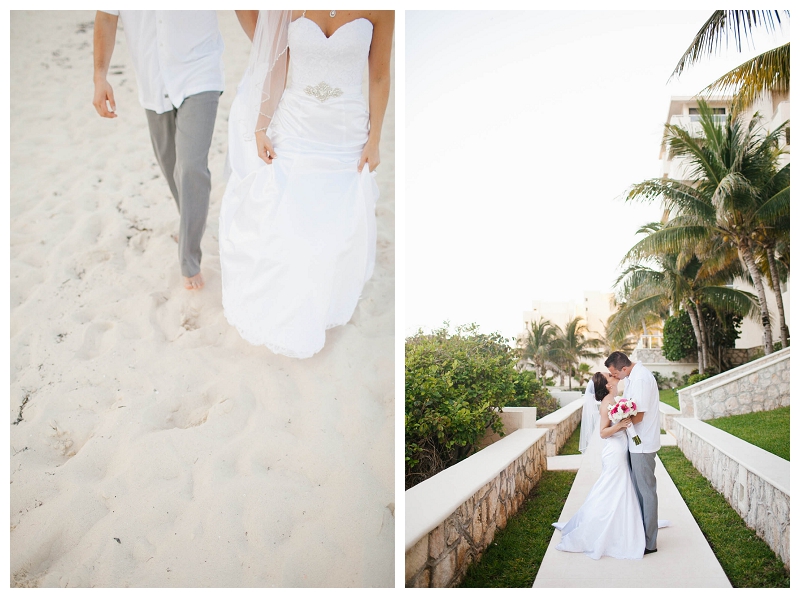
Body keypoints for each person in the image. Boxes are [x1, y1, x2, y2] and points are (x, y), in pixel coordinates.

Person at [219, 10, 393, 357]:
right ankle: (288, 302)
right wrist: (260, 125)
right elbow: (278, 66)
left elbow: (378, 76)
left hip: (345, 134)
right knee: (288, 217)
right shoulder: (290, 6)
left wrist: (375, 139)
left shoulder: (381, 8)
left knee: (333, 227)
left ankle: (322, 303)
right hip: (296, 126)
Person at [92, 10, 224, 290]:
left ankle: (189, 258)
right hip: (153, 80)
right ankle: (190, 222)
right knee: (170, 164)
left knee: (190, 166)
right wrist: (100, 76)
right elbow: (106, 16)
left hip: (200, 70)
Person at [552, 372, 646, 559]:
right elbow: (603, 432)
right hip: (614, 450)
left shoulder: (614, 400)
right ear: (608, 385)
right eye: (610, 375)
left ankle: (621, 523)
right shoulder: (608, 404)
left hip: (620, 446)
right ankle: (602, 527)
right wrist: (621, 425)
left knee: (617, 486)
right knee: (612, 487)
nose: (614, 375)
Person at [605, 350, 662, 554]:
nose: (615, 377)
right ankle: (641, 533)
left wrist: (616, 423)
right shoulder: (631, 377)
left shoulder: (640, 379)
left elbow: (638, 417)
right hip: (635, 442)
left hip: (643, 443)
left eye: (615, 373)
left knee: (646, 491)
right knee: (639, 490)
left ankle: (649, 542)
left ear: (624, 367)